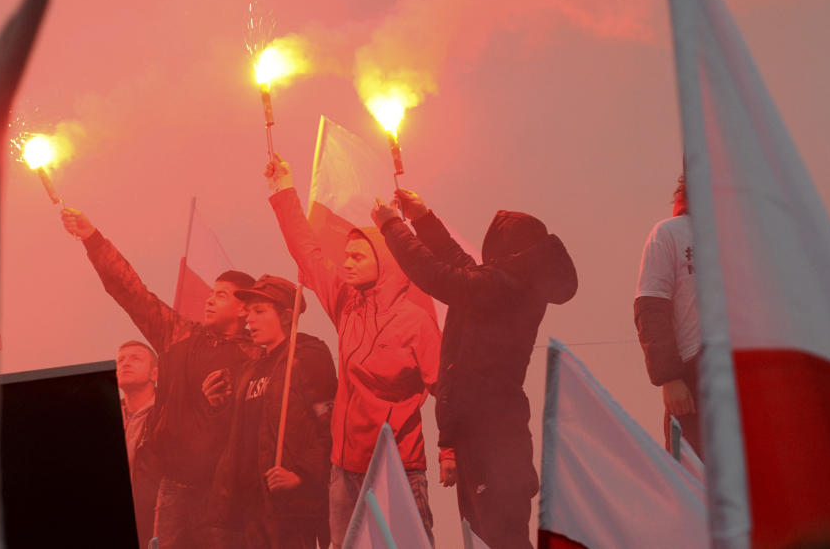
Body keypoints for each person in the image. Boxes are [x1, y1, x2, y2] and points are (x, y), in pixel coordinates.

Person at [371, 188, 578, 549]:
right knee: (483, 538)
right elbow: (458, 263)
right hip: (480, 435)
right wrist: (422, 219)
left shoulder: (507, 289)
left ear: (511, 248)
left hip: (494, 439)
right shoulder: (503, 284)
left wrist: (393, 228)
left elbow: (440, 275)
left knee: (501, 540)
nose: (486, 255)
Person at [264, 154, 449, 547]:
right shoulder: (346, 304)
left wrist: (448, 450)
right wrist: (282, 191)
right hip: (343, 471)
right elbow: (308, 253)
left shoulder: (415, 321)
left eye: (357, 257)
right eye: (345, 255)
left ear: (384, 261)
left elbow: (446, 390)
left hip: (397, 467)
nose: (345, 263)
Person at [60, 207, 258, 549]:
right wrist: (93, 240)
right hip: (173, 485)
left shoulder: (256, 358)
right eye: (211, 293)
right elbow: (131, 292)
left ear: (244, 309)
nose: (210, 300)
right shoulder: (179, 335)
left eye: (221, 295)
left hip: (224, 492)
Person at [204, 275, 337, 548]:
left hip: (291, 508)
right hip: (250, 509)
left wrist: (301, 474)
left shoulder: (307, 356)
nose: (249, 320)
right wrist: (217, 406)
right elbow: (235, 438)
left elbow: (330, 423)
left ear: (287, 316)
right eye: (249, 312)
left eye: (259, 311)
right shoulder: (251, 368)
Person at [634, 176, 703, 458]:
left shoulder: (749, 236)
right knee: (693, 486)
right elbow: (650, 308)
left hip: (751, 376)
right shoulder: (670, 233)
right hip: (692, 378)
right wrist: (670, 378)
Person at [115, 340, 160, 549]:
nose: (125, 364)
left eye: (135, 359)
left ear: (155, 374)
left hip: (157, 525)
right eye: (120, 360)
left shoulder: (167, 414)